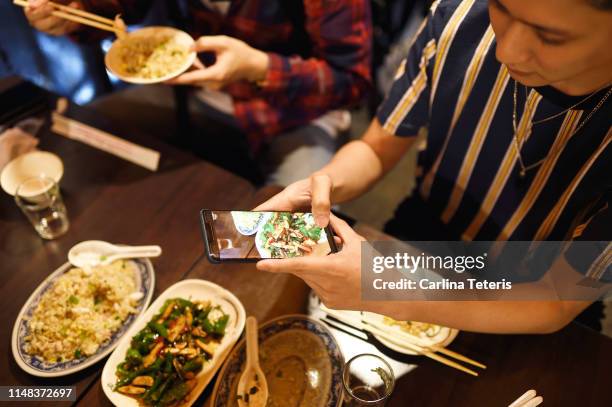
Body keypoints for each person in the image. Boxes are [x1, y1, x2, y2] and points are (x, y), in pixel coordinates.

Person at [255, 0, 611, 334]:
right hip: (428, 238)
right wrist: (324, 184)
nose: (506, 51)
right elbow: (377, 148)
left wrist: (390, 291)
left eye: (549, 37)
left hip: (537, 288)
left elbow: (555, 300)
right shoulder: (460, 18)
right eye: (500, 7)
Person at [23, 0, 372, 185]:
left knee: (297, 231)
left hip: (296, 112)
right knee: (85, 139)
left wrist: (258, 68)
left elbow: (351, 80)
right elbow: (116, 8)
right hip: (194, 93)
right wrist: (71, 15)